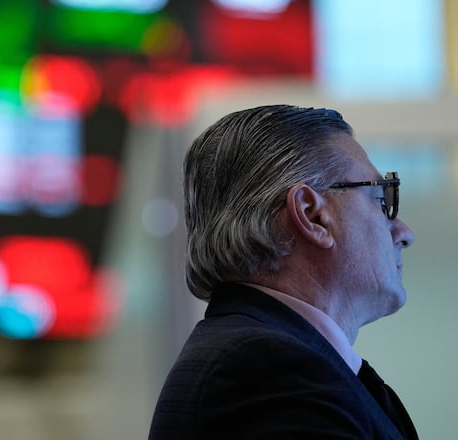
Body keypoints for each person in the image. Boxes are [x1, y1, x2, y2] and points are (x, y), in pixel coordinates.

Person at [149, 105, 418, 439]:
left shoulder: (271, 359)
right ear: (312, 215)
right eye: (380, 198)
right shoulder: (267, 370)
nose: (404, 232)